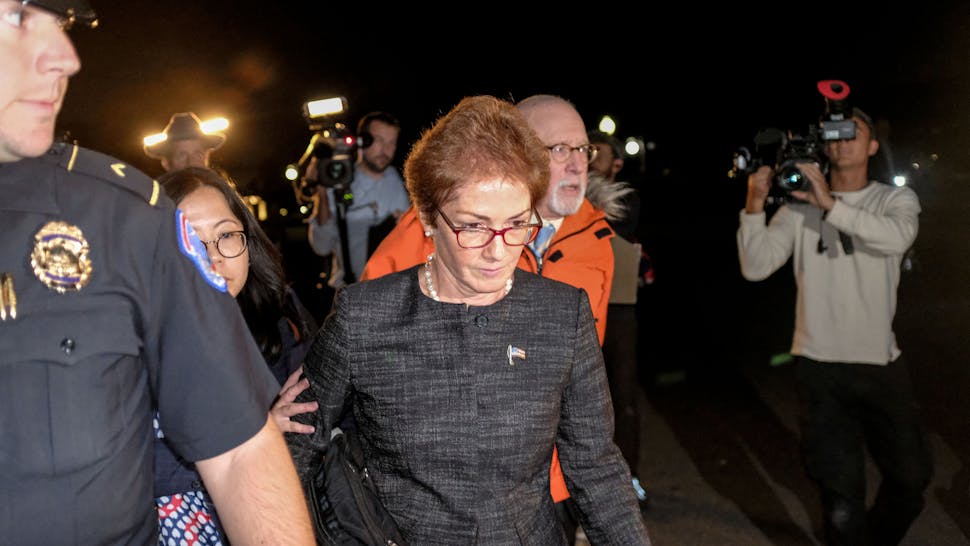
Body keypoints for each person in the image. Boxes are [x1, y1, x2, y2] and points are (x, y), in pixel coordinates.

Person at [0, 2, 314, 543]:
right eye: (14, 17)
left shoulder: (125, 220)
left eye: (63, 25)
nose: (66, 57)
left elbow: (242, 454)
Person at [286, 95, 651, 545]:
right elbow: (299, 443)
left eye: (517, 224)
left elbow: (594, 465)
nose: (498, 251)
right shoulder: (365, 316)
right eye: (473, 226)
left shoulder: (562, 314)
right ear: (427, 217)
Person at [737, 106, 933, 545]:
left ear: (872, 145)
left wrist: (829, 203)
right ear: (823, 143)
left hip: (880, 361)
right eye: (833, 134)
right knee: (841, 500)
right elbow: (756, 265)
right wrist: (753, 206)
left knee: (912, 479)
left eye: (852, 132)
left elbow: (895, 238)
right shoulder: (797, 206)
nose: (841, 141)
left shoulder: (893, 200)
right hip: (819, 364)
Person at [154, 167, 319, 543]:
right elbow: (122, 464)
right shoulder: (131, 338)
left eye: (226, 235)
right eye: (193, 240)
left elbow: (314, 420)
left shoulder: (279, 316)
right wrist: (249, 440)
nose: (214, 257)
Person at [587, 129, 651, 510]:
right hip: (579, 305)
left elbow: (612, 222)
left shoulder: (625, 199)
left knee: (622, 396)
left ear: (617, 163)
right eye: (586, 151)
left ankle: (629, 478)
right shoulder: (568, 195)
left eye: (598, 153)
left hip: (618, 306)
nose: (590, 159)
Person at [306, 110, 409, 291]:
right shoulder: (338, 180)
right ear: (362, 140)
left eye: (391, 142)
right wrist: (321, 190)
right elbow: (322, 247)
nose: (385, 149)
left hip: (391, 290)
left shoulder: (401, 182)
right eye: (379, 140)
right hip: (348, 290)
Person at [144, 111, 226, 172]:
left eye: (198, 154)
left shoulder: (221, 193)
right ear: (166, 163)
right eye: (182, 155)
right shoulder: (154, 194)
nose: (191, 163)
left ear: (206, 158)